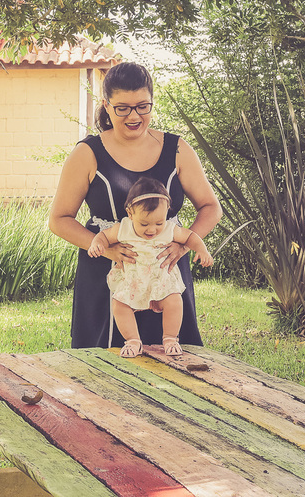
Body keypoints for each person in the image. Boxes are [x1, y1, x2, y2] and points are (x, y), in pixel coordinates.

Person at [48, 61, 223, 349]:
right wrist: (106, 247)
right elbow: (59, 219)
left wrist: (182, 245)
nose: (134, 116)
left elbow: (210, 206)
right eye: (123, 108)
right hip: (108, 274)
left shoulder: (177, 149)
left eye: (143, 106)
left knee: (174, 368)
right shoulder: (87, 153)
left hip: (165, 273)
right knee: (105, 369)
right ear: (106, 105)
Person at [88, 177, 214, 357]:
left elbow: (190, 237)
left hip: (161, 280)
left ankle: (170, 338)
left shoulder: (169, 229)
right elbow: (103, 236)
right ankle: (132, 340)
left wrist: (202, 249)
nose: (152, 230)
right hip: (133, 281)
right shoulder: (123, 228)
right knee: (119, 304)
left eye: (159, 223)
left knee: (175, 301)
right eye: (144, 224)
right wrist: (97, 244)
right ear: (130, 213)